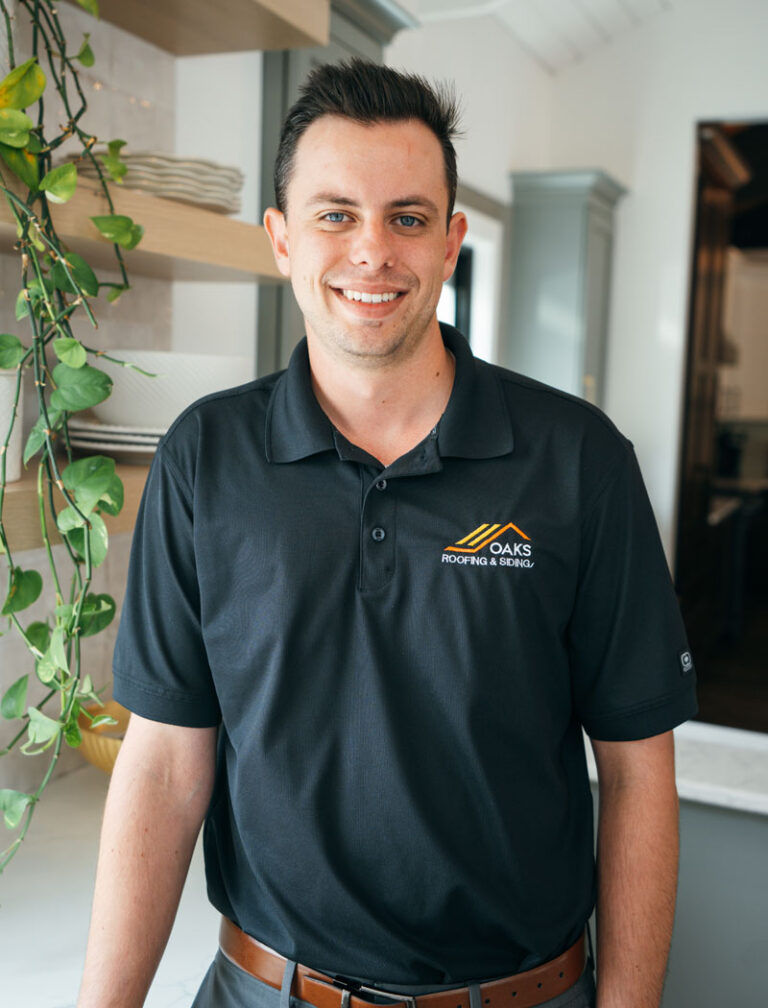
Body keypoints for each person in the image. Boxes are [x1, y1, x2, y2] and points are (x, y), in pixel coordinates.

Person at [77, 60, 697, 1008]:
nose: (372, 251)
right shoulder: (205, 456)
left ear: (450, 243)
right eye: (336, 215)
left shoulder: (580, 460)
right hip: (265, 989)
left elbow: (637, 768)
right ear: (281, 239)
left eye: (407, 218)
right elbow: (162, 765)